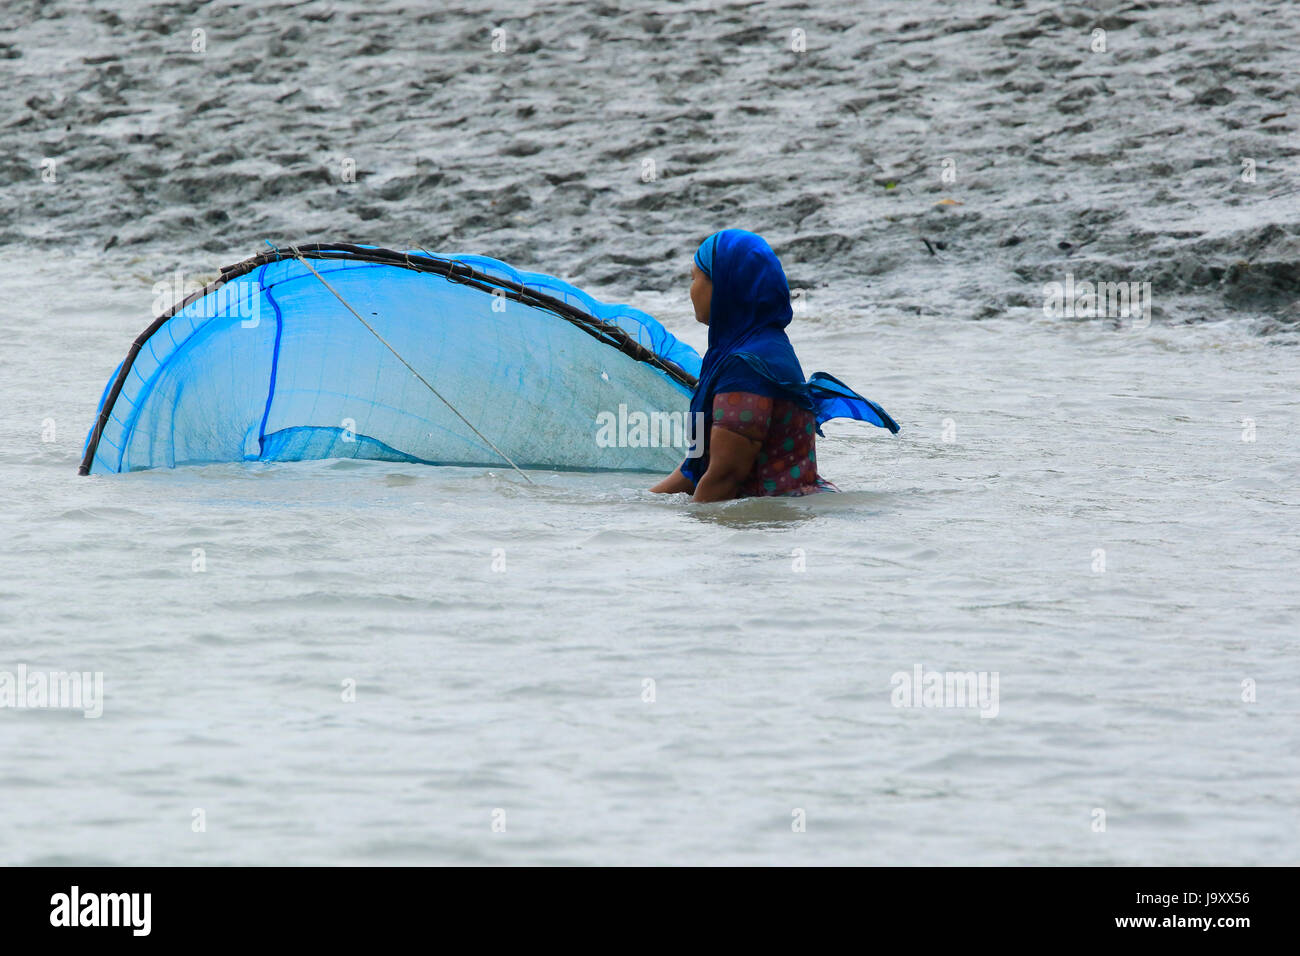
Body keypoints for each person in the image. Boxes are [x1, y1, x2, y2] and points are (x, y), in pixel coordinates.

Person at [650, 229, 900, 502]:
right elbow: (696, 469)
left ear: (722, 286)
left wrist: (688, 538)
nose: (691, 290)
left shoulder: (746, 367)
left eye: (694, 278)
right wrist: (641, 507)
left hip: (772, 520)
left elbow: (725, 476)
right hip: (789, 513)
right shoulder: (759, 348)